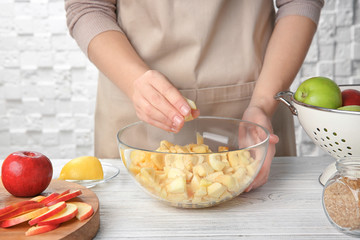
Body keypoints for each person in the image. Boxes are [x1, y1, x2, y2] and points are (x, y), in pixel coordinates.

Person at [65, 0, 324, 191]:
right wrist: (135, 83)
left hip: (256, 105)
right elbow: (88, 7)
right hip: (133, 110)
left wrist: (263, 103)